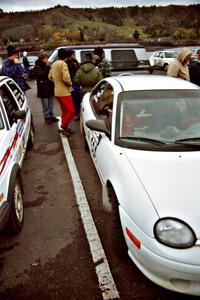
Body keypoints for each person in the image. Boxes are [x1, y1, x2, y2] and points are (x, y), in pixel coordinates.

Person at [48, 48, 75, 137]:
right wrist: (70, 83)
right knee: (71, 111)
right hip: (64, 92)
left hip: (57, 91)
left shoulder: (54, 64)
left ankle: (65, 127)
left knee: (64, 111)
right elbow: (66, 78)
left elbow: (50, 77)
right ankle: (63, 127)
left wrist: (57, 81)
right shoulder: (63, 64)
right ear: (65, 56)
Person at [32, 52, 58, 124]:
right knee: (45, 105)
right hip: (43, 88)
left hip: (50, 87)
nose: (47, 60)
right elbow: (41, 75)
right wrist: (47, 67)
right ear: (42, 59)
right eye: (46, 58)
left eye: (47, 58)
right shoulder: (37, 67)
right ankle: (47, 117)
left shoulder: (47, 66)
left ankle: (51, 116)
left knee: (51, 104)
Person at [65, 48, 81, 120]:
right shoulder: (66, 63)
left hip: (78, 83)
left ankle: (80, 112)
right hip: (71, 84)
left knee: (79, 98)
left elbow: (79, 70)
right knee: (74, 99)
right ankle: (77, 113)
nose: (74, 55)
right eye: (73, 54)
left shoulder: (75, 61)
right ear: (70, 55)